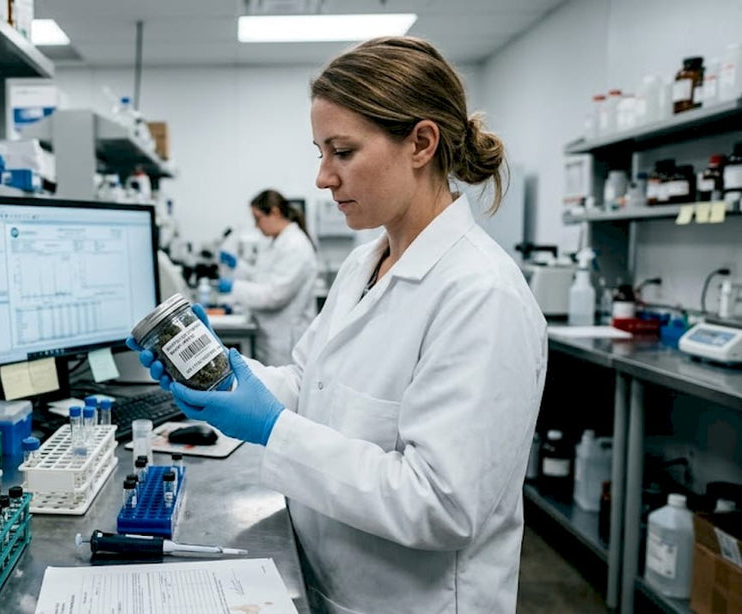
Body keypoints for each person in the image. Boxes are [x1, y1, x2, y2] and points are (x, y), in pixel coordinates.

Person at [129, 36, 547, 613]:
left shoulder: (482, 294)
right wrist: (222, 374)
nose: (323, 178)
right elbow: (310, 385)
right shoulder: (364, 261)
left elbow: (441, 505)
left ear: (421, 143)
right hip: (327, 578)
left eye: (342, 152)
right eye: (319, 152)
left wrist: (274, 429)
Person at [217, 189, 318, 366]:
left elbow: (275, 295)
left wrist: (234, 287)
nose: (256, 226)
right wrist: (238, 266)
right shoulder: (275, 241)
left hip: (286, 340)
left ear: (274, 212)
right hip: (271, 334)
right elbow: (262, 278)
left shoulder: (295, 245)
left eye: (258, 219)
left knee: (283, 391)